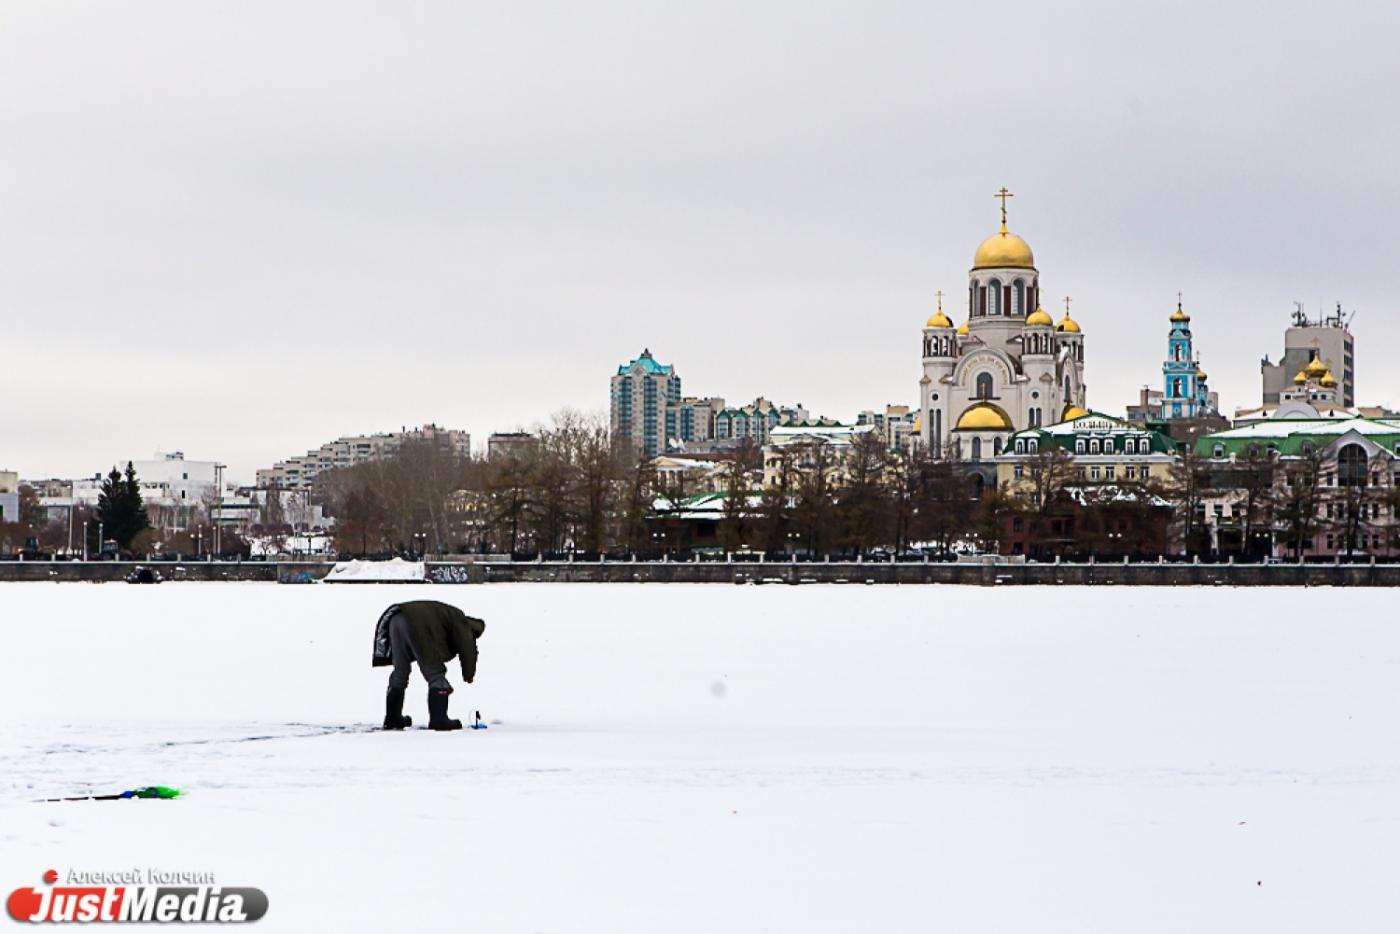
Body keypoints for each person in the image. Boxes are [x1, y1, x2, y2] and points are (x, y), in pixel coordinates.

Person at [372, 600, 485, 731]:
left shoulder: (447, 616)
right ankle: (439, 720)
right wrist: (468, 674)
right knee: (435, 673)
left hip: (396, 618)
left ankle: (393, 718)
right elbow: (467, 648)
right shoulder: (461, 622)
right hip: (417, 623)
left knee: (400, 670)